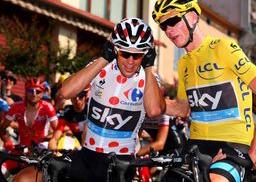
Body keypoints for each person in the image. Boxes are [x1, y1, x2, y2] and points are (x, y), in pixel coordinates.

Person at [152, 0, 256, 182]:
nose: (169, 30)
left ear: (192, 17)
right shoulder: (184, 63)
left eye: (172, 21)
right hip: (196, 143)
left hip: (232, 144)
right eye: (163, 26)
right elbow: (182, 109)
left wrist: (252, 156)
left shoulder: (223, 48)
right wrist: (143, 98)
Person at [12, 18, 166, 182]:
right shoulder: (103, 67)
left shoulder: (149, 78)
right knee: (25, 178)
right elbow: (65, 92)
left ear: (147, 55)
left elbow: (155, 110)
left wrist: (149, 67)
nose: (130, 61)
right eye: (125, 53)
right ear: (114, 49)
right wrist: (103, 58)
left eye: (137, 55)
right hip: (87, 156)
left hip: (120, 164)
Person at [0, 77, 58, 176]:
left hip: (41, 151)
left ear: (43, 93)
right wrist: (7, 141)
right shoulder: (16, 107)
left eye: (38, 91)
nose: (34, 94)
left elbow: (58, 130)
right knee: (2, 170)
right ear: (26, 92)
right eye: (31, 90)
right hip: (20, 150)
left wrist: (47, 140)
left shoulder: (48, 107)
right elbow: (2, 129)